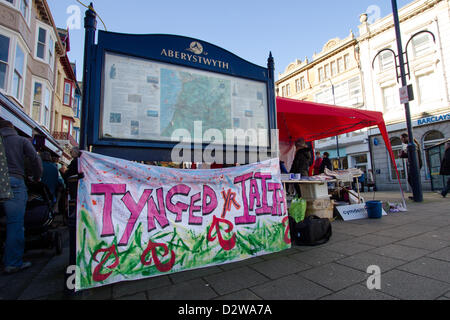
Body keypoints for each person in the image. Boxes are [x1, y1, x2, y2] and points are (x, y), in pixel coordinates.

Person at [0, 120, 43, 273]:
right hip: (14, 182)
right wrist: (37, 177)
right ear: (13, 128)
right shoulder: (20, 141)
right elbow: (35, 159)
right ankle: (12, 262)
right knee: (15, 224)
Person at [400, 133, 423, 197]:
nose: (402, 141)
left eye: (402, 139)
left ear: (406, 138)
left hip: (415, 164)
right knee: (412, 179)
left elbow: (410, 154)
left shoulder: (411, 144)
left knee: (411, 179)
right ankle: (416, 193)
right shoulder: (412, 144)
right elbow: (410, 155)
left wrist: (402, 154)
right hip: (415, 163)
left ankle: (417, 194)